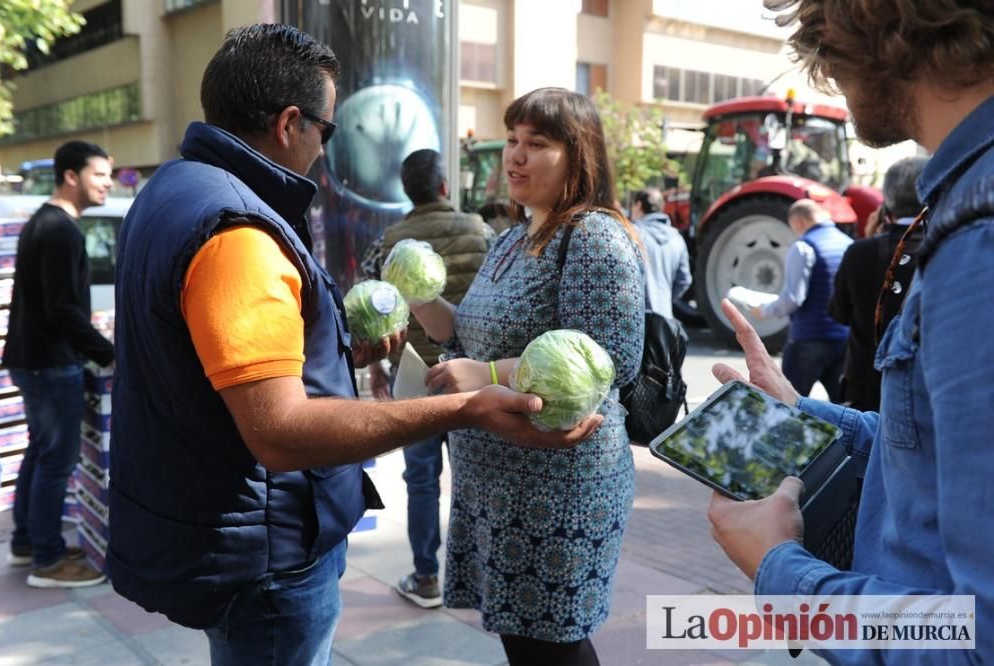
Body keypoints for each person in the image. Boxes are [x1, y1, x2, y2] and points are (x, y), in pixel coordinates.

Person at [107, 25, 600, 665]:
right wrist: (465, 408)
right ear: (291, 123)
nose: (325, 147)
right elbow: (279, 432)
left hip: (222, 527)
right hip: (267, 553)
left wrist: (335, 352)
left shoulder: (171, 191)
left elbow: (216, 365)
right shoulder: (238, 231)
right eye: (327, 129)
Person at [709, 1, 994, 661]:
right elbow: (925, 454)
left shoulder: (977, 241)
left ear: (873, 24)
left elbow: (976, 644)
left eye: (819, 33)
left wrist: (778, 568)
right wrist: (800, 414)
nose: (823, 68)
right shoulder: (963, 203)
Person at [410, 87, 645, 666]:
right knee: (527, 642)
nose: (514, 156)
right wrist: (414, 295)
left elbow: (606, 358)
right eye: (512, 140)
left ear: (579, 155)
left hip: (556, 486)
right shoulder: (512, 237)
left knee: (552, 647)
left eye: (536, 144)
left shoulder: (592, 236)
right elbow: (464, 334)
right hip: (498, 485)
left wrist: (484, 372)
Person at [362, 148, 495, 608]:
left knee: (420, 479)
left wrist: (380, 364)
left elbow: (372, 306)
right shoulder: (482, 232)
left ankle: (426, 577)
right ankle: (480, 575)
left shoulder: (389, 242)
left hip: (414, 376)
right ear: (445, 187)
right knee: (471, 476)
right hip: (474, 376)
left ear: (407, 191)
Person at [3, 140, 114, 588]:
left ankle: (27, 541)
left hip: (33, 359)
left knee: (41, 451)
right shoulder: (60, 229)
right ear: (72, 176)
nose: (107, 183)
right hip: (49, 363)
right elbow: (62, 310)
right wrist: (109, 353)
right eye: (99, 174)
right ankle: (47, 560)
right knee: (56, 459)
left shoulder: (45, 223)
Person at [828, 156, 928, 411]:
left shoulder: (860, 251)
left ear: (886, 205)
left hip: (863, 386)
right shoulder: (944, 248)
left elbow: (838, 313)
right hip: (920, 391)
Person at [750, 199, 851, 401]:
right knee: (842, 411)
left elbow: (792, 299)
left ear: (798, 222)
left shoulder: (804, 247)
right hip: (843, 340)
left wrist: (764, 311)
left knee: (788, 406)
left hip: (808, 340)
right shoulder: (848, 243)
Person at [629, 187, 691, 319]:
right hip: (665, 318)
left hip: (637, 319)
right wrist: (666, 298)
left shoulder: (632, 233)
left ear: (638, 205)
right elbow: (684, 280)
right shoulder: (677, 238)